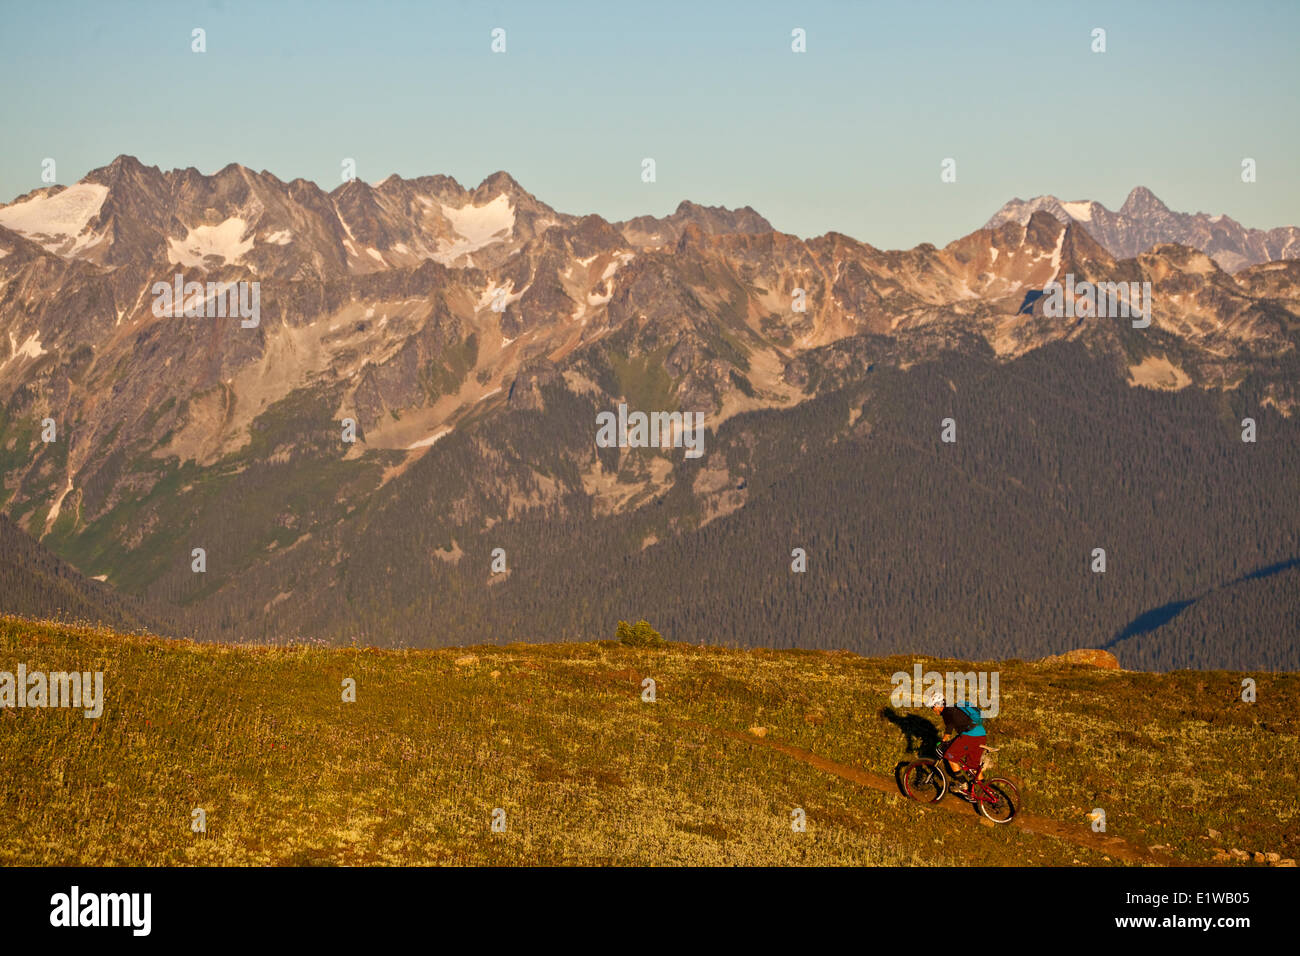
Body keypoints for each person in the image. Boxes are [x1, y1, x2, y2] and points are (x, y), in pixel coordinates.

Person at [928, 693, 987, 798]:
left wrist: (943, 741)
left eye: (932, 707)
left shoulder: (947, 711)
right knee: (973, 767)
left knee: (951, 757)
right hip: (981, 735)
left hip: (970, 736)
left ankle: (963, 785)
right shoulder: (954, 708)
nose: (932, 710)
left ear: (937, 705)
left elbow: (949, 728)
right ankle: (984, 792)